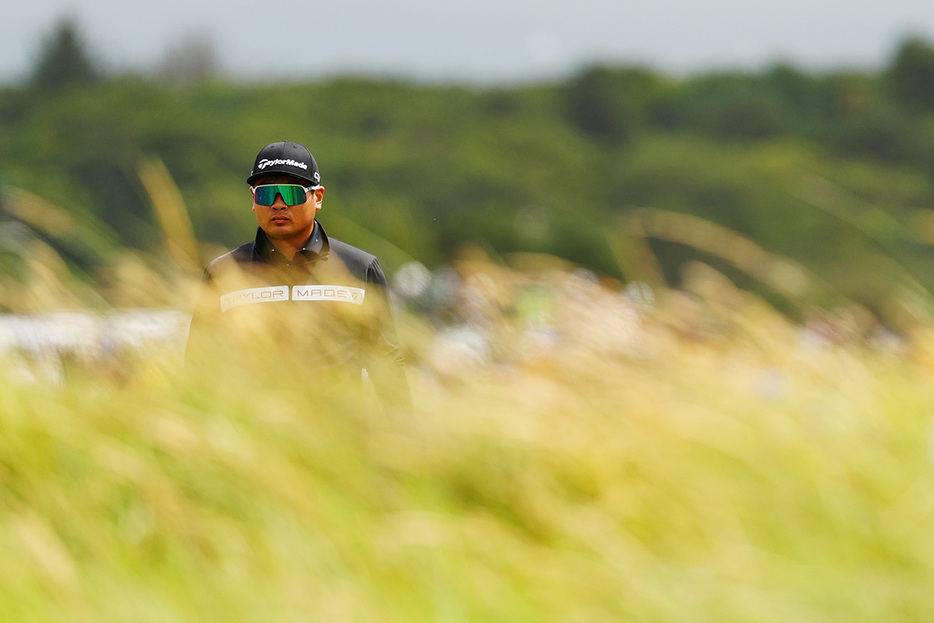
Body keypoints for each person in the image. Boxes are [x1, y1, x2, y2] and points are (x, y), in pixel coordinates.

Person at [186, 140, 410, 409]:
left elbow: (386, 362)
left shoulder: (359, 267)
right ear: (253, 200)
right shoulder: (224, 272)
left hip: (340, 438)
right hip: (250, 436)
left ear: (318, 197)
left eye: (291, 194)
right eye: (266, 195)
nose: (278, 205)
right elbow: (198, 364)